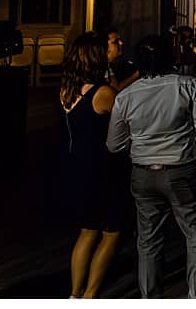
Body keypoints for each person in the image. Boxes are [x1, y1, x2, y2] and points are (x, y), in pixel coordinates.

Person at [106, 35, 196, 299]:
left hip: (143, 172)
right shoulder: (188, 86)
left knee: (148, 241)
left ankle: (150, 297)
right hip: (182, 167)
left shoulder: (126, 96)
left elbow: (113, 144)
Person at [60, 32, 127, 299]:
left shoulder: (69, 89)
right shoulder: (104, 93)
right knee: (112, 232)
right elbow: (124, 127)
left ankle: (74, 294)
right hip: (103, 167)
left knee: (87, 231)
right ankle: (91, 295)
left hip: (77, 164)